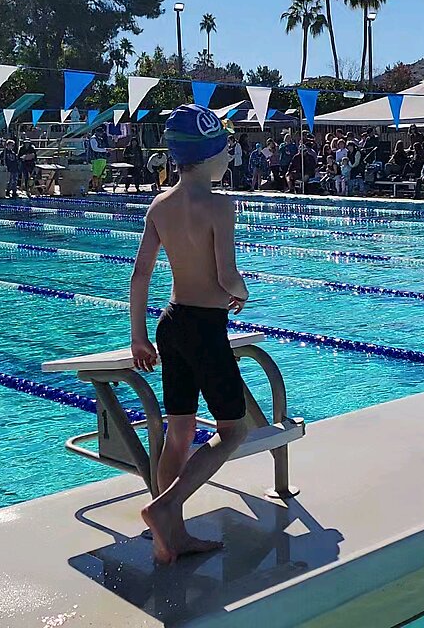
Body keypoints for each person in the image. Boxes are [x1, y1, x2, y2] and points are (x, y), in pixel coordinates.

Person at [129, 104, 250, 565]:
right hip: (203, 327)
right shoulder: (220, 204)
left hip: (170, 323)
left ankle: (171, 536)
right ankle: (164, 510)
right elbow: (226, 276)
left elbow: (140, 275)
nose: (229, 156)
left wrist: (138, 336)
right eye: (226, 148)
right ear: (210, 156)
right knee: (232, 431)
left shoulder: (160, 205)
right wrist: (244, 292)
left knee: (179, 432)